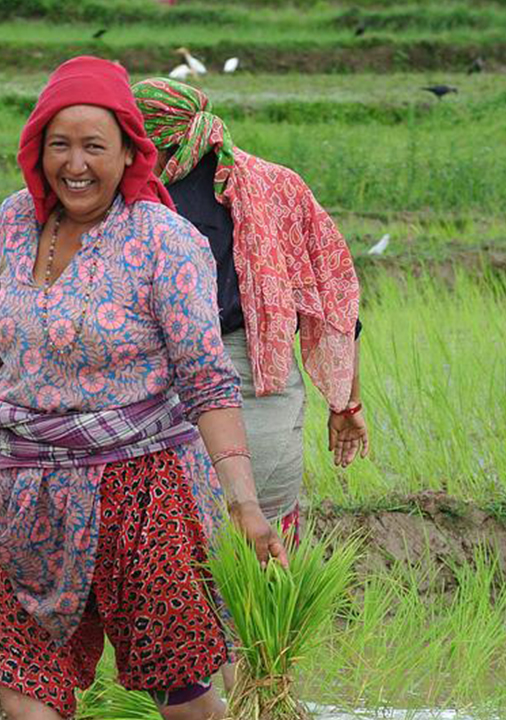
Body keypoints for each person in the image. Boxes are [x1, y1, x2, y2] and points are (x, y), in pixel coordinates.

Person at [0, 56, 286, 720]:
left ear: (128, 151)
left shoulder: (165, 241)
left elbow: (206, 381)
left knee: (179, 684)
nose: (76, 163)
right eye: (59, 144)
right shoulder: (14, 222)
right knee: (23, 688)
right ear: (37, 150)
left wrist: (244, 504)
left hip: (144, 493)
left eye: (95, 146)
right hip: (26, 492)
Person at [132, 78, 368, 535]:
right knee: (264, 537)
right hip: (266, 390)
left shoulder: (144, 203)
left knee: (182, 539)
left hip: (173, 384)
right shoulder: (279, 186)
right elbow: (338, 304)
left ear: (154, 141)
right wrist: (346, 403)